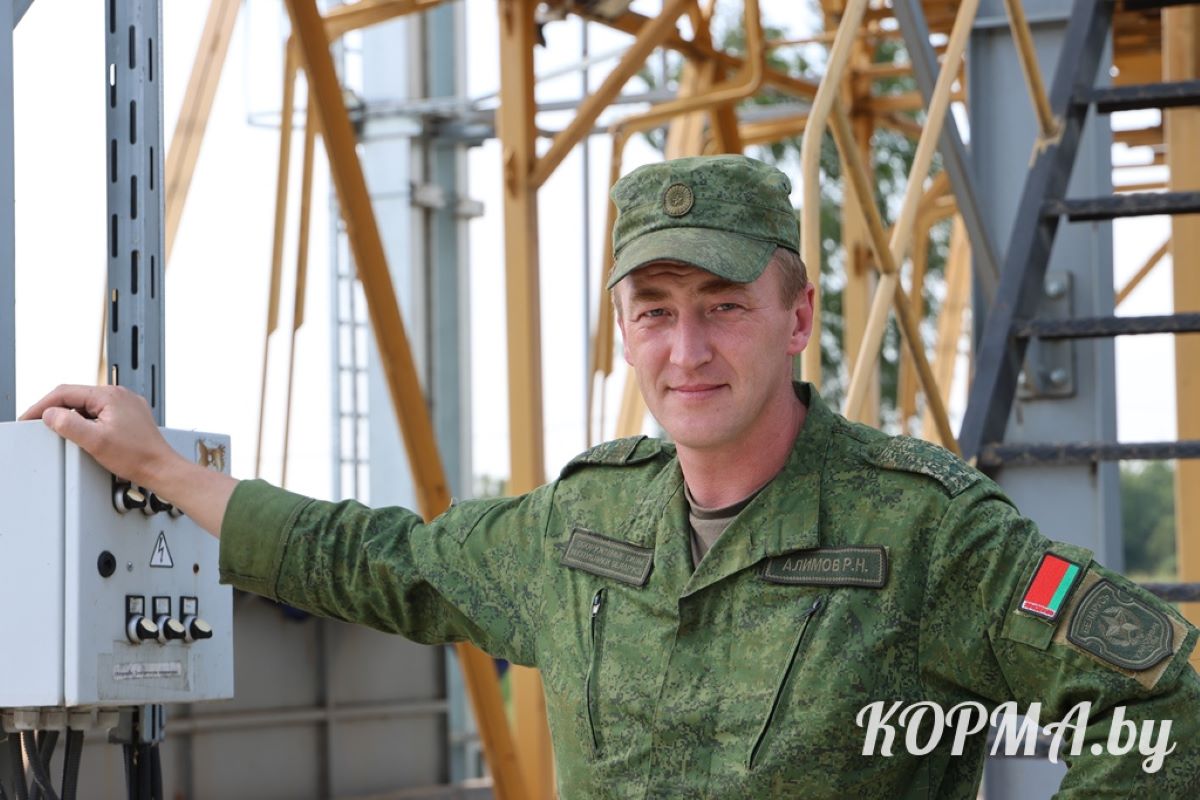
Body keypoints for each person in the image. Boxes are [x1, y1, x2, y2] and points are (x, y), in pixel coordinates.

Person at [23, 155, 1200, 798]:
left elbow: (1168, 706)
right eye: (655, 310)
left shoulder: (927, 532)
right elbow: (381, 560)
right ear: (625, 329)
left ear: (797, 318)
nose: (687, 350)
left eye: (724, 307)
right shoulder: (582, 521)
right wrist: (161, 468)